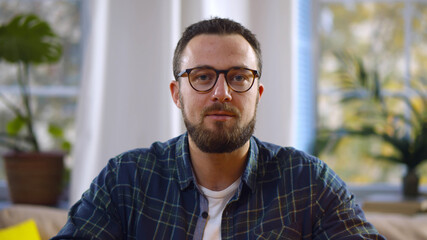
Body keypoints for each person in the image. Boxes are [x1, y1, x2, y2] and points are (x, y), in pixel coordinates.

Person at [52, 18, 385, 240]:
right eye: (202, 76)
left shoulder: (308, 183)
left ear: (258, 93)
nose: (221, 92)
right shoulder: (126, 179)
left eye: (239, 77)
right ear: (176, 94)